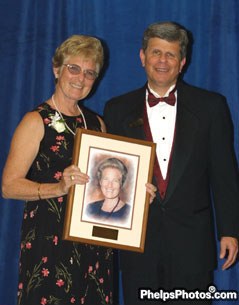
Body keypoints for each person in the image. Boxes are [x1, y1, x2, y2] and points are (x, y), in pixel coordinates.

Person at [103, 21, 239, 305]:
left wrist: (230, 230)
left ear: (183, 62)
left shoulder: (212, 106)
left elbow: (225, 174)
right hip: (137, 246)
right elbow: (109, 172)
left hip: (193, 244)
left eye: (171, 54)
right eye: (155, 52)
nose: (162, 61)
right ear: (142, 57)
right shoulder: (116, 109)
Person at [2, 35, 114, 305]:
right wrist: (59, 188)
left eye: (89, 73)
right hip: (48, 242)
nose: (80, 78)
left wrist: (135, 192)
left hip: (93, 242)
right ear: (56, 69)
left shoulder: (97, 124)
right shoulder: (35, 120)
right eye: (73, 68)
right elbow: (8, 186)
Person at [86, 157, 131, 225]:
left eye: (115, 180)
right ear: (100, 181)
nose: (110, 185)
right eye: (106, 179)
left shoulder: (129, 213)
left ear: (121, 184)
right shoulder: (90, 208)